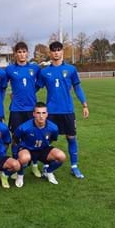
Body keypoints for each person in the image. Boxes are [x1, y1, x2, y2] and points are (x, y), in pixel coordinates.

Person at [37, 41, 89, 178]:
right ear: (50, 52)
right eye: (53, 50)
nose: (56, 52)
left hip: (67, 111)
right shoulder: (45, 72)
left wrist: (84, 104)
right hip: (51, 112)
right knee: (47, 140)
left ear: (62, 52)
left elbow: (77, 87)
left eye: (59, 50)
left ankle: (74, 166)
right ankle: (46, 166)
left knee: (71, 138)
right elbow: (36, 88)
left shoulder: (71, 69)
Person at [5, 41, 42, 177]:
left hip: (32, 109)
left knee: (35, 136)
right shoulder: (9, 69)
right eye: (19, 52)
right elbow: (3, 85)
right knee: (16, 137)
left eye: (24, 51)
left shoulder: (35, 68)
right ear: (15, 54)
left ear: (28, 53)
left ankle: (35, 165)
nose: (22, 54)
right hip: (16, 109)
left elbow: (39, 84)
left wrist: (32, 91)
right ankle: (16, 164)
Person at [13, 102, 66, 187]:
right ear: (34, 114)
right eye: (38, 113)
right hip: (28, 149)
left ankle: (48, 171)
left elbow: (52, 139)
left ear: (47, 114)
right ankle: (20, 175)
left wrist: (45, 145)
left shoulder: (53, 127)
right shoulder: (24, 127)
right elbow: (15, 138)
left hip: (43, 150)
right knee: (24, 158)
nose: (41, 116)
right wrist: (17, 154)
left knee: (61, 156)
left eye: (43, 113)